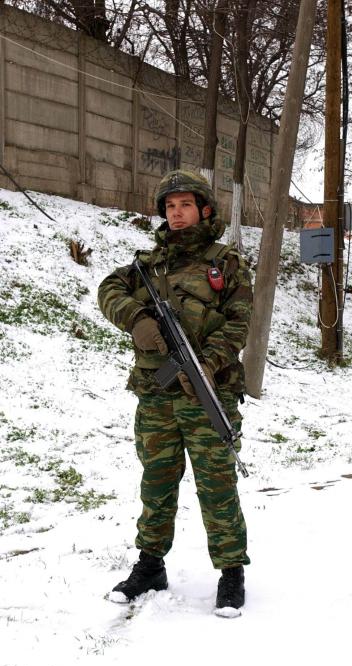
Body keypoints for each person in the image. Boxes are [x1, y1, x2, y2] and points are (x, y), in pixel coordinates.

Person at [97, 169, 253, 615]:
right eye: (170, 206)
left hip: (208, 392)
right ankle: (150, 566)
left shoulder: (226, 263)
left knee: (217, 485)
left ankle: (231, 572)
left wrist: (207, 365)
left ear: (204, 209)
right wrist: (137, 319)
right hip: (157, 393)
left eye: (185, 205)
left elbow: (239, 323)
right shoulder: (147, 266)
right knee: (157, 482)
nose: (177, 213)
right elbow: (108, 289)